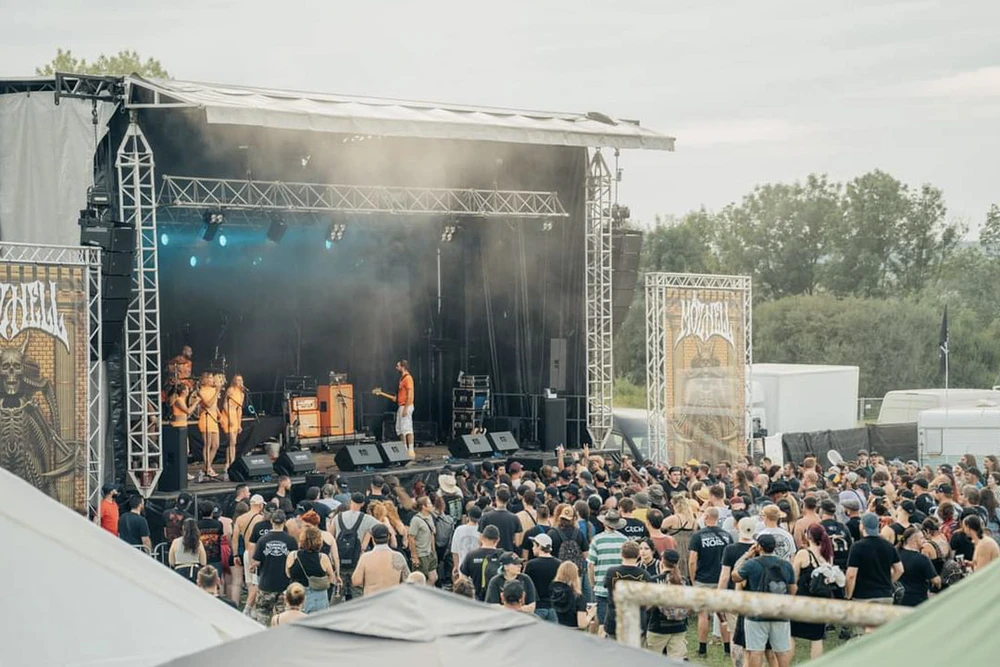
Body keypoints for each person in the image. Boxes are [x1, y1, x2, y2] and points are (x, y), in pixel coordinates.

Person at [731, 535, 797, 667]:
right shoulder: (786, 565)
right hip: (779, 613)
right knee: (781, 651)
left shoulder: (751, 564)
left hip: (756, 613)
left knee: (756, 651)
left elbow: (735, 576)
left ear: (759, 546)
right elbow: (793, 589)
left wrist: (746, 555)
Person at [689, 507, 733, 658]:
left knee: (703, 615)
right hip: (722, 579)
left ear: (706, 517)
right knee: (723, 616)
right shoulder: (727, 536)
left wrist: (692, 578)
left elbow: (692, 560)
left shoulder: (698, 536)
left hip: (703, 579)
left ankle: (702, 649)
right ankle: (727, 649)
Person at [791, 524, 837, 659]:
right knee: (817, 638)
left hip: (802, 599)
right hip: (820, 600)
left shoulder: (803, 554)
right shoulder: (828, 555)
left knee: (791, 634)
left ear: (808, 536)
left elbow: (794, 577)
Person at [718, 517, 756, 667]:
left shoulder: (731, 549)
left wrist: (719, 595)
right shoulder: (759, 548)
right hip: (753, 597)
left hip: (733, 596)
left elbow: (725, 575)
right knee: (753, 637)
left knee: (735, 636)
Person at [846, 512, 903, 609]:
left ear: (862, 526)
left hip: (863, 596)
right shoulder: (888, 546)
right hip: (885, 596)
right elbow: (900, 569)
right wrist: (888, 583)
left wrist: (848, 595)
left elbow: (851, 575)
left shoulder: (857, 547)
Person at [250, 510, 297, 626]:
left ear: (271, 521)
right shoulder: (291, 541)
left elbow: (256, 561)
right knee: (284, 618)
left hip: (266, 585)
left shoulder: (262, 540)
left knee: (262, 617)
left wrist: (253, 567)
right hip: (284, 585)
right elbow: (295, 560)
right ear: (284, 522)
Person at [332, 492, 380, 601]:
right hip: (357, 559)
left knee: (338, 590)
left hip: (340, 558)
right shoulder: (366, 518)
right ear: (362, 504)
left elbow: (331, 537)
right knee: (357, 590)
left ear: (350, 501)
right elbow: (382, 528)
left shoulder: (338, 517)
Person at [602, 541, 653, 639]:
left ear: (621, 554)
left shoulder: (611, 572)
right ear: (638, 555)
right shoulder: (645, 575)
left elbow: (606, 585)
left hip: (615, 619)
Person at [644, 549, 689, 660]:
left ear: (662, 561)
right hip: (679, 627)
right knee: (677, 661)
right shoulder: (684, 581)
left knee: (652, 661)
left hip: (658, 627)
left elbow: (647, 605)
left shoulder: (654, 581)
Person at [588, 509, 628, 629]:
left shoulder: (597, 540)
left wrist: (592, 583)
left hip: (601, 587)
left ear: (605, 523)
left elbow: (590, 565)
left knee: (602, 624)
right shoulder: (625, 540)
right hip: (619, 588)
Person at [286, 526, 337, 613]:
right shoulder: (323, 558)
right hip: (319, 596)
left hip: (297, 596)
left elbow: (288, 574)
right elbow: (331, 578)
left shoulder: (293, 556)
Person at [352, 523, 411, 596]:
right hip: (393, 599)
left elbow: (356, 581)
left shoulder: (365, 558)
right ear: (389, 537)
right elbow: (408, 579)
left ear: (372, 538)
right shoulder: (398, 556)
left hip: (372, 600)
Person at [898, 526, 941, 606]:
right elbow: (935, 581)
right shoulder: (922, 559)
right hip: (918, 600)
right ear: (914, 541)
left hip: (899, 599)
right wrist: (940, 581)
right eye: (921, 538)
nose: (924, 540)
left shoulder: (896, 555)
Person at [458, 525, 502, 601]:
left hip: (476, 599)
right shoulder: (502, 556)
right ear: (498, 540)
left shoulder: (471, 555)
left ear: (482, 538)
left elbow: (463, 578)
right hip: (496, 600)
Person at [524, 533, 561, 621]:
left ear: (539, 546)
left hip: (537, 606)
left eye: (534, 545)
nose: (532, 548)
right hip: (554, 607)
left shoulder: (531, 565)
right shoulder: (559, 564)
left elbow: (526, 585)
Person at [479, 487, 523, 552]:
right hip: (507, 554)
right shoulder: (514, 518)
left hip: (489, 554)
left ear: (496, 498)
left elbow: (480, 540)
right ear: (508, 500)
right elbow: (518, 542)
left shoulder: (486, 517)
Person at [194, 372, 221, 479]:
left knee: (216, 445)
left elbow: (214, 405)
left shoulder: (213, 390)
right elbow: (208, 404)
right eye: (209, 378)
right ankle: (208, 467)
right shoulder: (202, 391)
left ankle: (207, 466)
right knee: (208, 444)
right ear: (204, 380)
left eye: (211, 378)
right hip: (206, 418)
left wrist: (219, 414)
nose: (211, 380)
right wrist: (217, 391)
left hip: (213, 418)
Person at [550, 561, 592, 629]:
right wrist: (590, 614)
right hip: (572, 633)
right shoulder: (578, 597)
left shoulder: (553, 594)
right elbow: (582, 624)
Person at [408, 495, 438, 586]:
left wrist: (433, 550)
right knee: (420, 580)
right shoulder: (416, 520)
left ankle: (426, 594)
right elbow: (411, 537)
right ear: (423, 507)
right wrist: (414, 556)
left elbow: (432, 534)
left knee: (434, 577)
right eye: (429, 503)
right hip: (421, 553)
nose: (431, 505)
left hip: (430, 552)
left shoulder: (430, 517)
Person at [169, 518, 206, 582]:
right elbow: (203, 562)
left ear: (183, 528)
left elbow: (171, 562)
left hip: (179, 572)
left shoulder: (175, 542)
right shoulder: (198, 542)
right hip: (194, 572)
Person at [197, 500, 225, 581]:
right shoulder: (218, 524)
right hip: (216, 557)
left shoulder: (197, 525)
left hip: (201, 557)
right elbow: (221, 536)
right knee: (216, 581)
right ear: (212, 512)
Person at [223, 374, 245, 475]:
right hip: (228, 415)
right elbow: (225, 405)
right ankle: (229, 463)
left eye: (240, 380)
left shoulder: (241, 393)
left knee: (233, 443)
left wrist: (239, 423)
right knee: (231, 441)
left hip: (235, 417)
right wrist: (230, 417)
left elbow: (239, 409)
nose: (239, 382)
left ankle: (230, 462)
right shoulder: (230, 390)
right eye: (237, 380)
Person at [395, 360, 416, 457]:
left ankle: (411, 450)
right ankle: (404, 449)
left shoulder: (408, 378)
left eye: (398, 366)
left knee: (407, 429)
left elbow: (410, 395)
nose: (396, 367)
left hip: (406, 406)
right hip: (401, 405)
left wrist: (406, 408)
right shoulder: (401, 379)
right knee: (400, 429)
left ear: (403, 367)